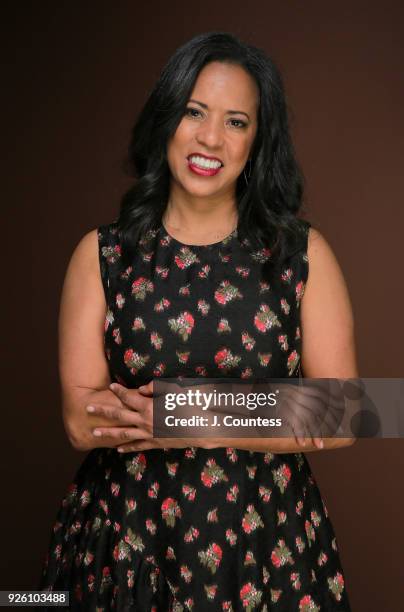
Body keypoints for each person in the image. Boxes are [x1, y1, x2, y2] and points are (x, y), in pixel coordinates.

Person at [39, 31, 358, 611]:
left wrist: (188, 414)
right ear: (166, 117)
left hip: (267, 546)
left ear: (259, 140)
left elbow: (347, 409)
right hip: (125, 544)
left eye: (236, 121)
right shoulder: (104, 255)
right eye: (194, 112)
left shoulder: (302, 255)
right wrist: (271, 407)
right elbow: (82, 422)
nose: (210, 138)